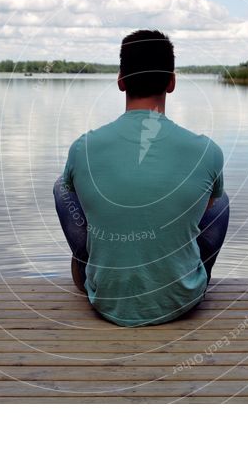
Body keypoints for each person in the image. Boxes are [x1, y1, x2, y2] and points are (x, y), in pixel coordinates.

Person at [53, 29, 229, 327]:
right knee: (220, 200)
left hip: (106, 302)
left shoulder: (82, 148)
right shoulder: (207, 151)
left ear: (121, 81)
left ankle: (88, 266)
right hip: (182, 304)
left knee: (62, 187)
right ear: (171, 82)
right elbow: (208, 204)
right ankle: (190, 277)